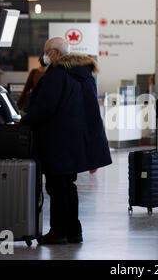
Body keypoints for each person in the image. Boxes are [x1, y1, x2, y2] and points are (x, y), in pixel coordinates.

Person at [21, 37, 112, 245]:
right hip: (75, 141)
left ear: (53, 52)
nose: (44, 56)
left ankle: (59, 232)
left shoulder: (57, 75)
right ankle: (74, 231)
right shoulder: (84, 74)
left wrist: (25, 120)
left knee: (57, 187)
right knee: (68, 186)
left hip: (57, 140)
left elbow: (45, 107)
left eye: (46, 52)